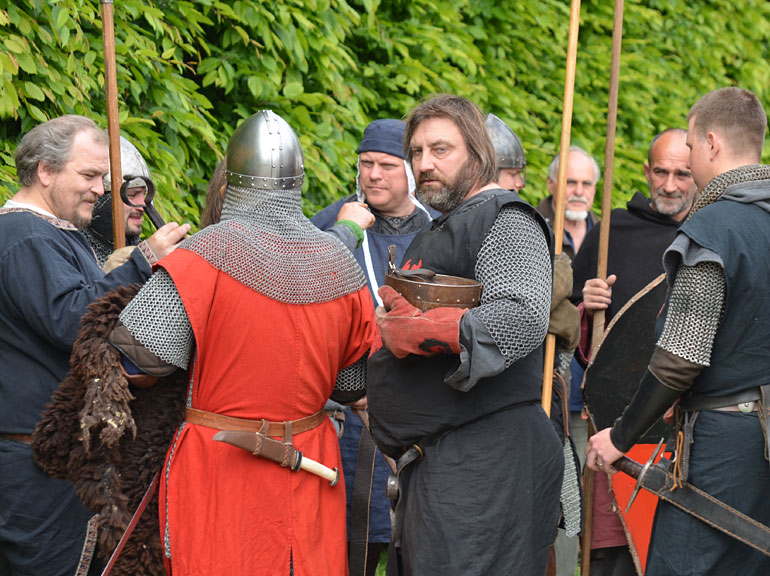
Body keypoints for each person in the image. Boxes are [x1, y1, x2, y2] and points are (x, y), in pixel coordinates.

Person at [94, 110, 376, 575]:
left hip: (223, 464)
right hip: (311, 460)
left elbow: (138, 362)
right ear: (297, 180)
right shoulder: (338, 263)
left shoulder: (204, 253)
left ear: (233, 180)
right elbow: (350, 385)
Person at [367, 94, 563, 575]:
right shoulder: (434, 231)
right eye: (417, 152)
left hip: (488, 465)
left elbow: (521, 315)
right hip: (442, 465)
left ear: (477, 153)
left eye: (440, 150)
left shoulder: (506, 218)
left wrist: (432, 330)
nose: (424, 164)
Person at [586, 87, 770, 575]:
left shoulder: (713, 229)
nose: (688, 158)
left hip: (724, 448)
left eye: (689, 146)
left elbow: (680, 358)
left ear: (711, 143)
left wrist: (621, 436)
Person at [0, 115, 189, 575]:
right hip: (35, 463)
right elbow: (72, 322)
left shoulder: (50, 233)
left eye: (103, 177)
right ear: (45, 170)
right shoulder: (24, 236)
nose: (100, 190)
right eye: (89, 175)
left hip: (54, 458)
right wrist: (143, 262)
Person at [572, 127, 697, 575]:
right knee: (613, 554)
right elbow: (575, 335)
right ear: (646, 171)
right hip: (619, 418)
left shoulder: (710, 233)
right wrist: (588, 305)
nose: (669, 185)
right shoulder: (613, 231)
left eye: (682, 174)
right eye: (660, 172)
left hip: (686, 423)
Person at [312, 118, 434, 575]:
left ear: (410, 170)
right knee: (348, 548)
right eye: (366, 164)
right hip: (347, 416)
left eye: (387, 165)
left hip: (420, 413)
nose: (374, 175)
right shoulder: (331, 226)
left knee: (420, 546)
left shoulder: (440, 228)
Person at [83, 135, 155, 269]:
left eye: (144, 194)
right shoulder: (72, 256)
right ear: (100, 200)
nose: (142, 206)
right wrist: (108, 277)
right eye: (131, 195)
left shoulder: (148, 259)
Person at [539, 146, 600, 259]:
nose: (579, 192)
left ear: (594, 188)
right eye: (570, 183)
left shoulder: (605, 234)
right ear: (551, 184)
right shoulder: (532, 228)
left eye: (586, 184)